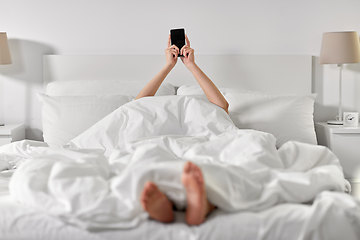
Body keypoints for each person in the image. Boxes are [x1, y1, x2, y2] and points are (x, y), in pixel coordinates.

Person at [135, 35, 229, 225]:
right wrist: (168, 66)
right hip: (159, 141)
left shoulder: (203, 109)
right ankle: (200, 203)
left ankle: (176, 204)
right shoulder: (147, 109)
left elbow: (222, 107)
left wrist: (191, 65)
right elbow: (136, 109)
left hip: (199, 139)